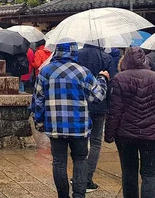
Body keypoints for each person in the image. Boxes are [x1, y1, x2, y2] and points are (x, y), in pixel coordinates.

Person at [33, 41, 108, 198]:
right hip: (79, 126)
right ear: (74, 53)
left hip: (55, 125)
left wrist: (39, 122)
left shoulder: (45, 72)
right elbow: (98, 96)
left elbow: (38, 100)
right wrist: (102, 78)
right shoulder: (83, 72)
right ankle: (79, 195)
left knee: (59, 162)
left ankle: (63, 196)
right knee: (80, 159)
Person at [105, 47, 155, 198]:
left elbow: (115, 110)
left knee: (129, 172)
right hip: (154, 135)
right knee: (150, 174)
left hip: (126, 135)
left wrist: (109, 134)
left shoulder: (119, 78)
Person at [76, 41, 117, 192]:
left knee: (79, 139)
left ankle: (78, 174)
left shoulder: (77, 55)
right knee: (95, 142)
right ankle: (87, 178)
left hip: (80, 103)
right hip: (99, 106)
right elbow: (111, 83)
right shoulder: (106, 58)